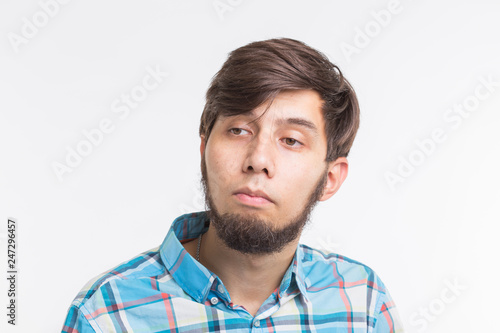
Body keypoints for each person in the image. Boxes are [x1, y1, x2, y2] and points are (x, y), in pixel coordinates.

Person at [62, 38, 404, 332]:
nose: (259, 159)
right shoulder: (106, 313)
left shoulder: (365, 305)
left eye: (291, 140)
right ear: (204, 149)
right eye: (239, 130)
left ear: (329, 179)